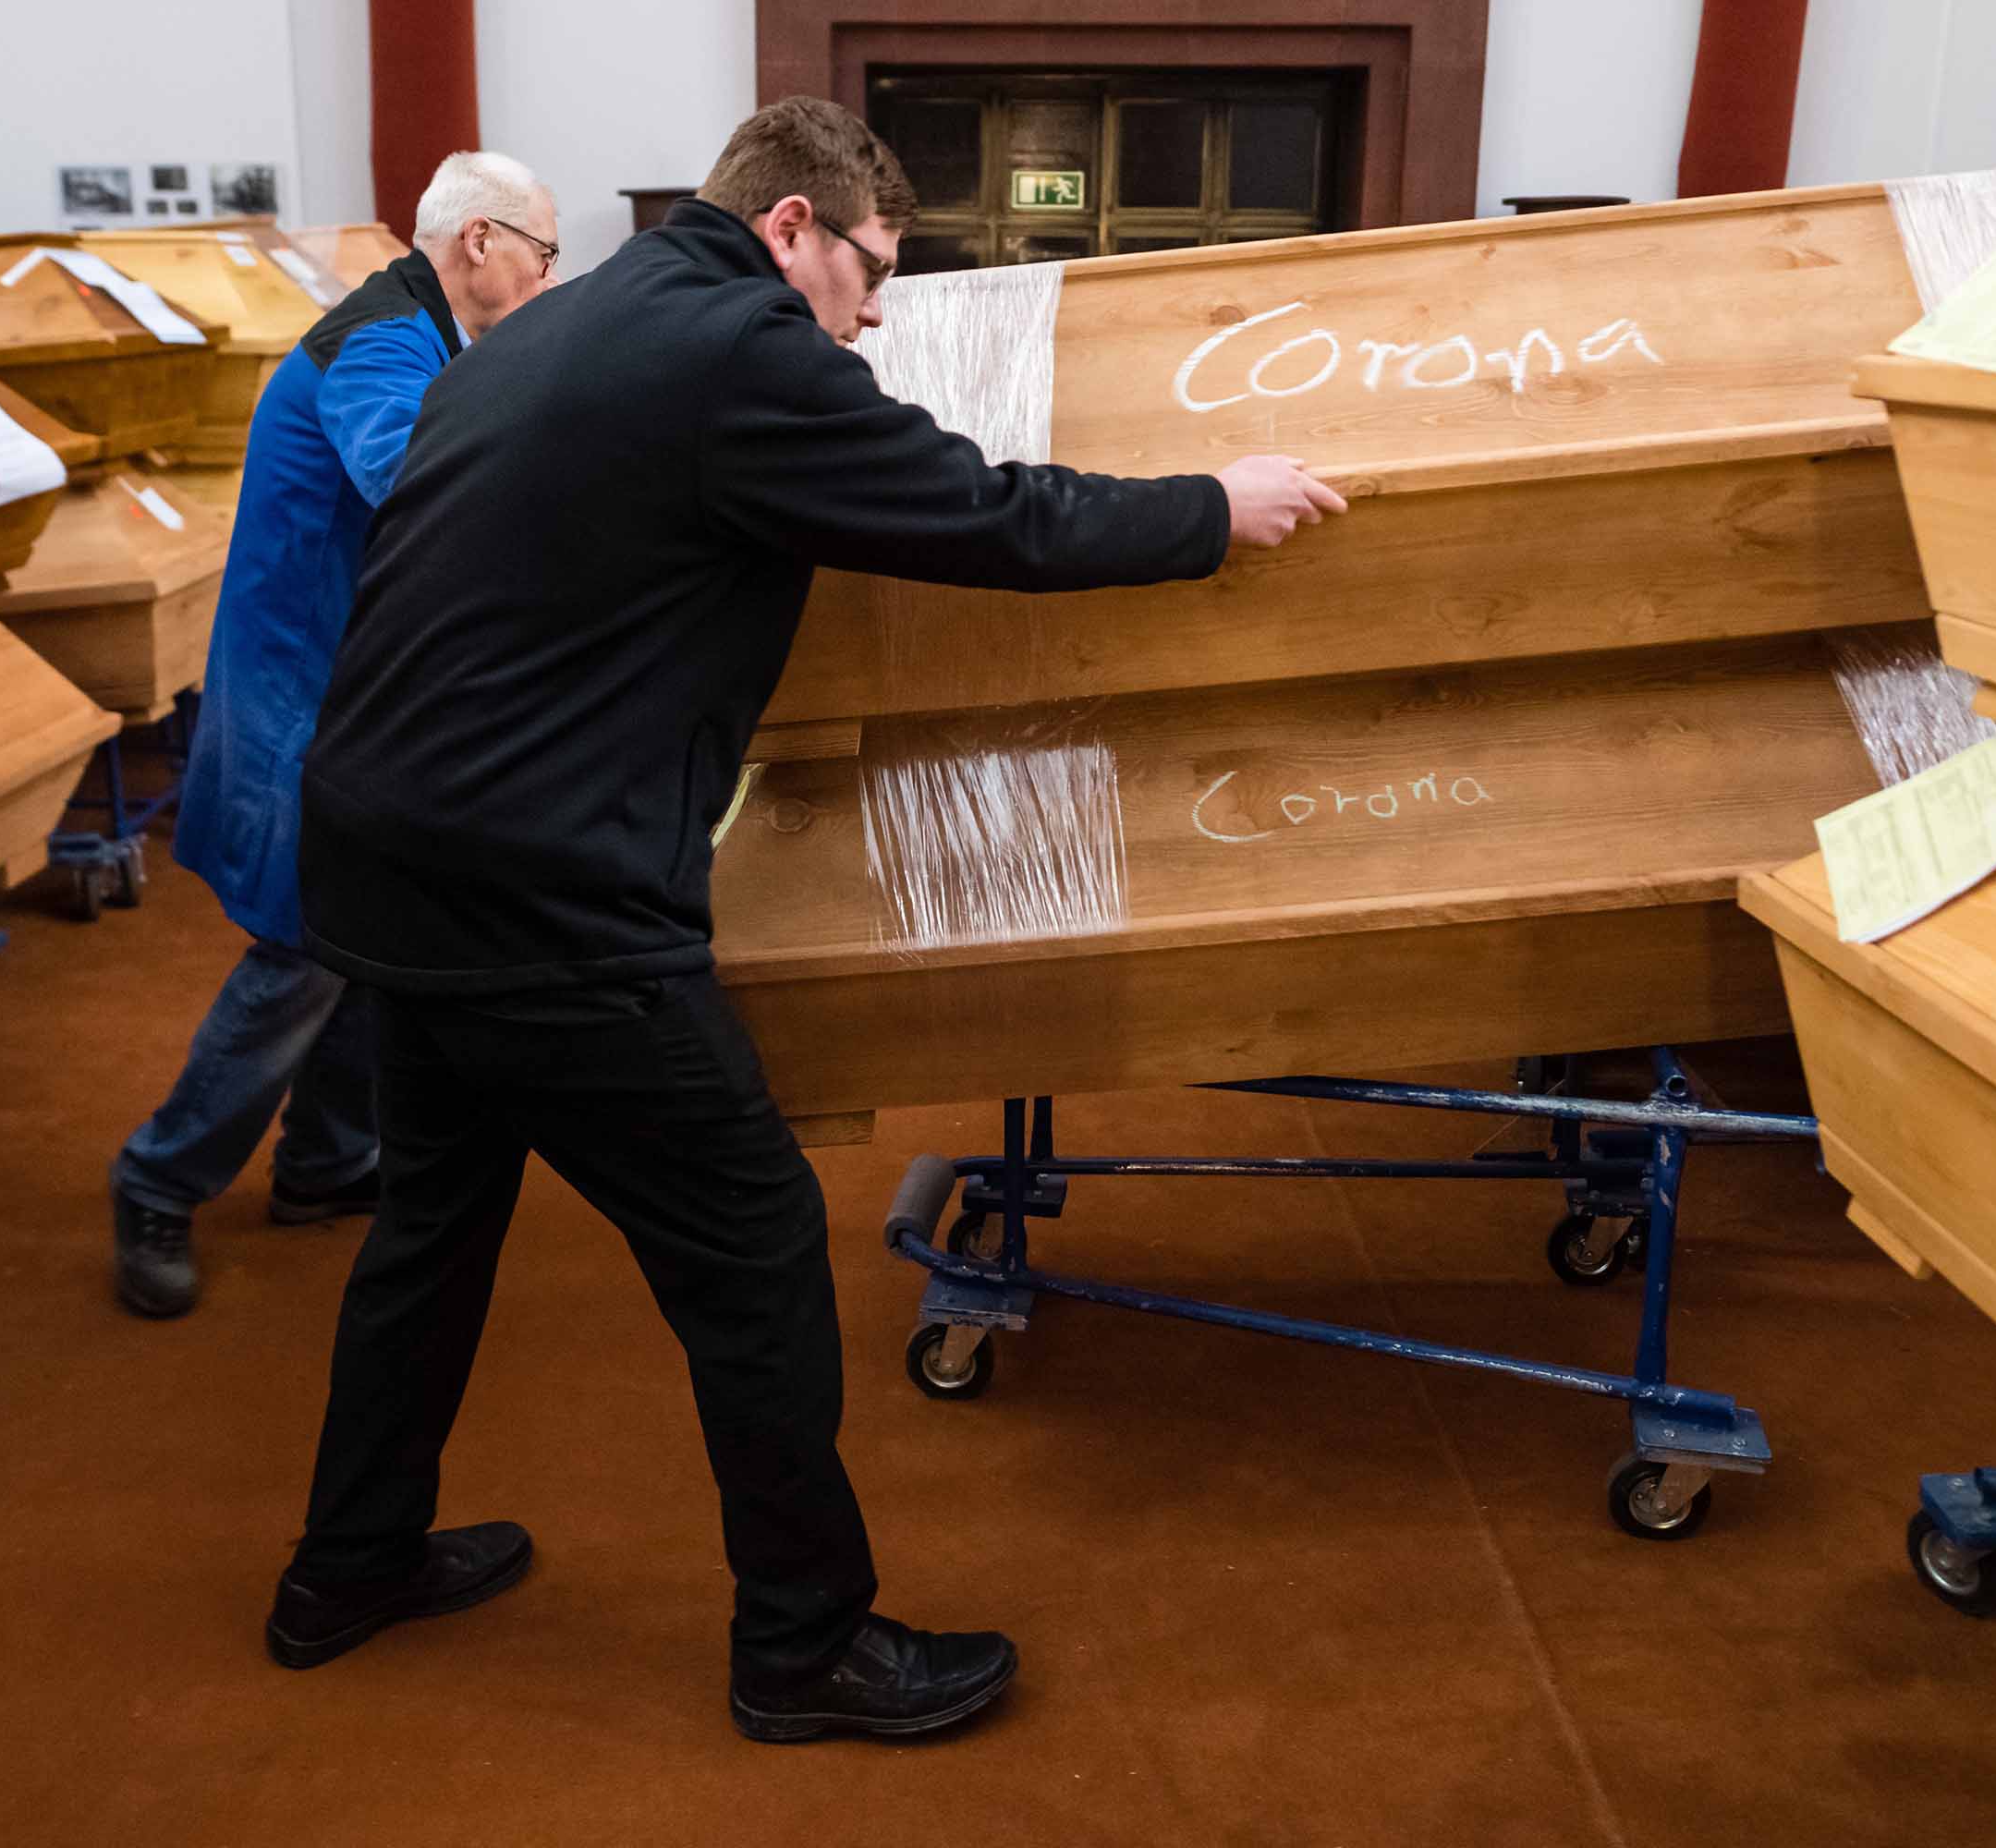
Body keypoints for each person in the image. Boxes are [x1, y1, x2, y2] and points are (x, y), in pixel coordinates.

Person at [264, 98, 1345, 1739]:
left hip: (388, 853)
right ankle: (803, 1647)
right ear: (790, 232)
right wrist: (1210, 505)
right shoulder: (741, 353)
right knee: (757, 1240)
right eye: (871, 268)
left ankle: (346, 1566)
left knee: (433, 1226)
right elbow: (981, 514)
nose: (878, 309)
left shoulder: (572, 324)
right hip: (536, 893)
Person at [107, 152, 563, 1319]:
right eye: (544, 253)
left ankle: (321, 1160)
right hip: (296, 695)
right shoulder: (380, 341)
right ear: (478, 243)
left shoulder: (423, 334)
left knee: (365, 927)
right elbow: (410, 480)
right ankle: (158, 1178)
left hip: (343, 687)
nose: (550, 277)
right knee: (304, 947)